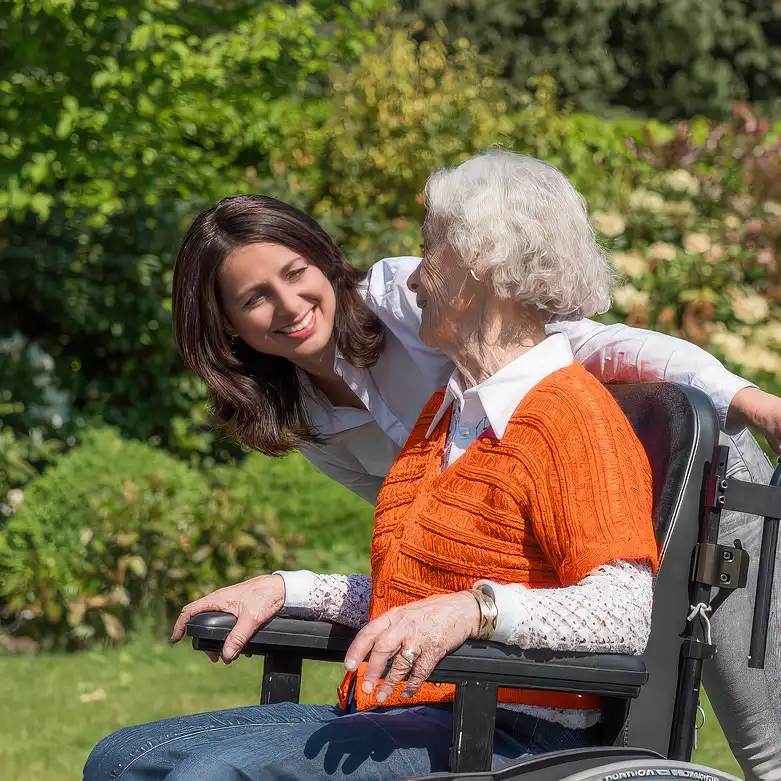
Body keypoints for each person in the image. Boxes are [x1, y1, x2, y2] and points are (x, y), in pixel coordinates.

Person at [93, 171, 781, 779]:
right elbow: (419, 590)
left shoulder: (567, 415)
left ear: (486, 272)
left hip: (503, 718)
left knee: (210, 775)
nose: (411, 277)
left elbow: (619, 610)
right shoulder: (440, 419)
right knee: (121, 759)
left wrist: (472, 608)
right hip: (424, 698)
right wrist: (287, 588)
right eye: (253, 299)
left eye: (430, 255)